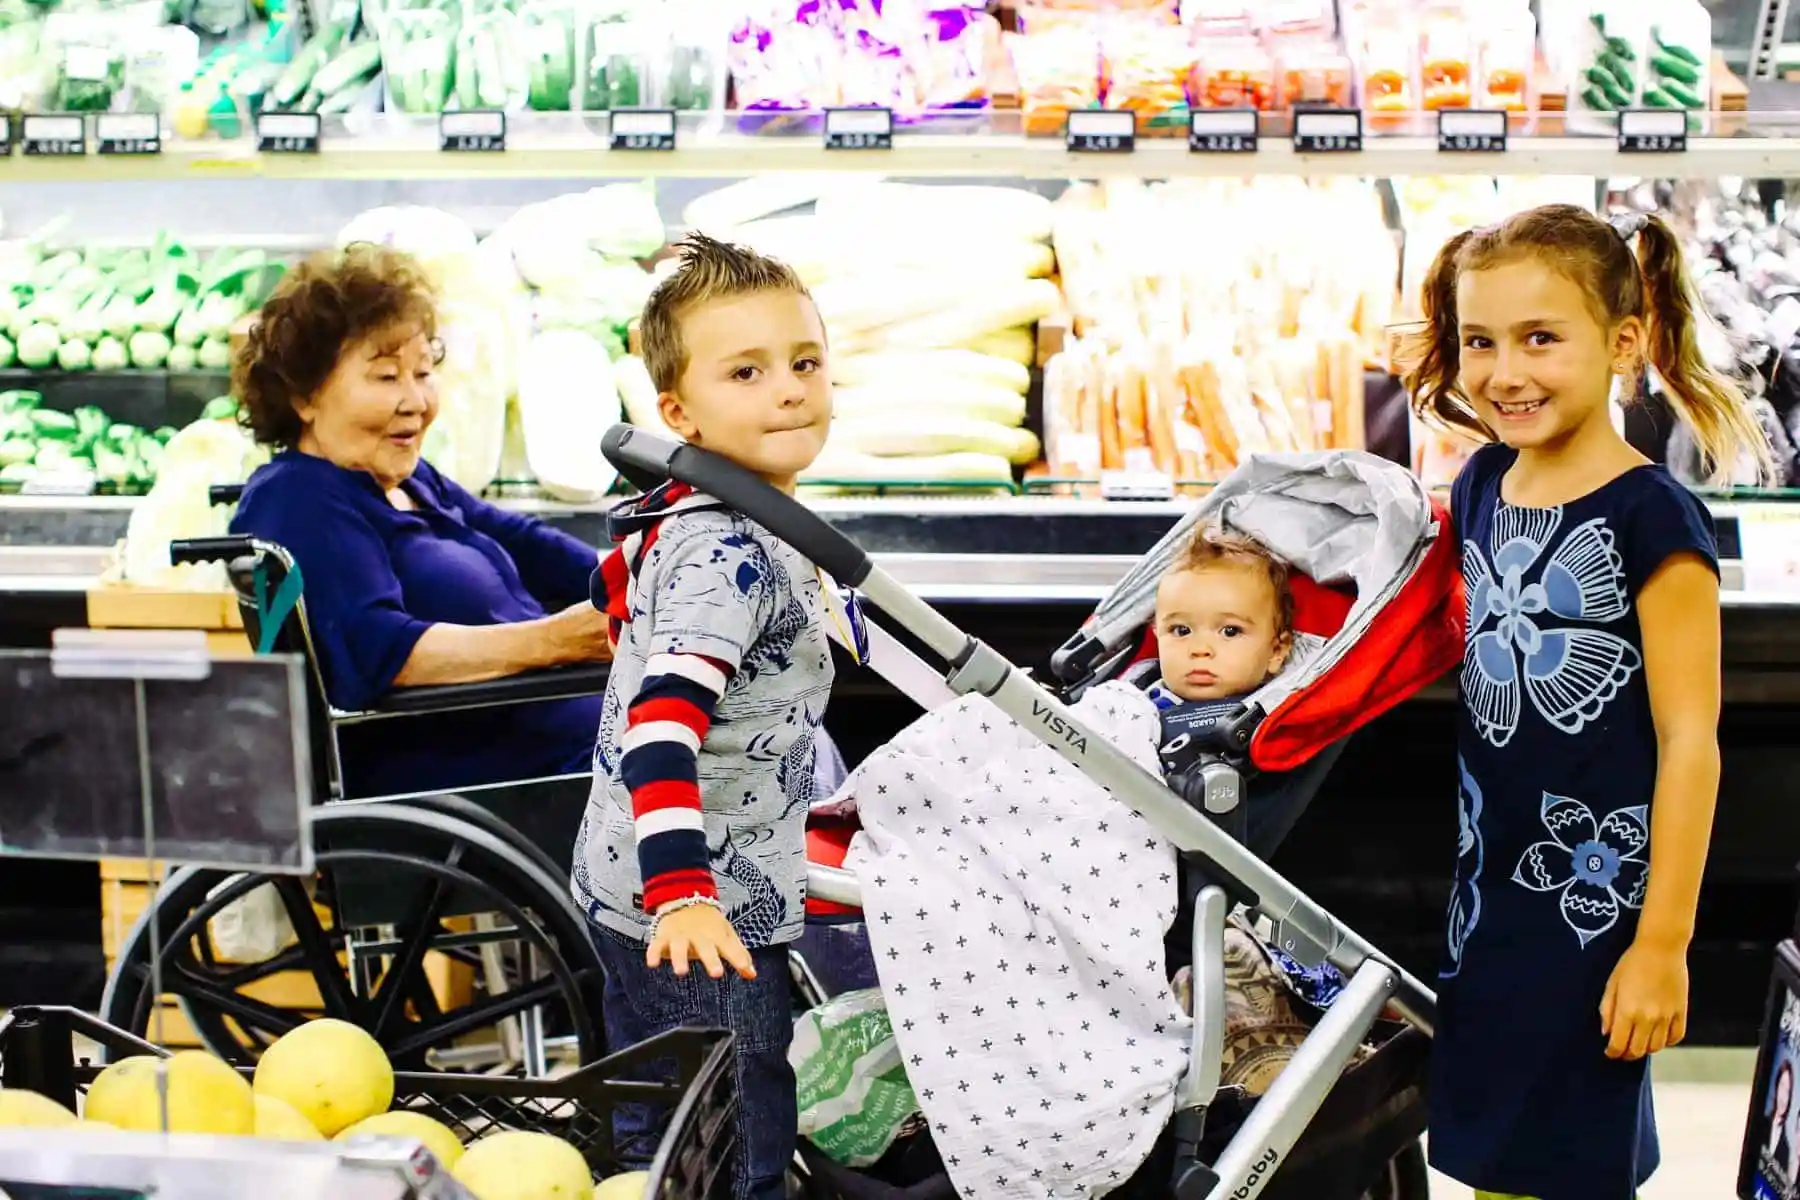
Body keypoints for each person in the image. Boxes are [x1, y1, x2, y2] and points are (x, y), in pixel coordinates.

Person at [1404, 203, 1772, 1200]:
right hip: (1490, 901)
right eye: (1479, 341)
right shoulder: (1483, 479)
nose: (1503, 373)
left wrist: (1663, 944)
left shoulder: (1653, 516)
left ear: (1622, 345)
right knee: (1496, 1154)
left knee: (1563, 1157)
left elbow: (1691, 740)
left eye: (1540, 339)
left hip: (1598, 906)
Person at [571, 233, 834, 1200]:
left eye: (805, 362)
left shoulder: (707, 514)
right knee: (735, 1129)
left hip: (640, 877)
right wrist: (684, 891)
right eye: (748, 372)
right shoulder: (735, 559)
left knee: (658, 1117)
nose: (791, 390)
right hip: (696, 906)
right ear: (677, 410)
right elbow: (661, 726)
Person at [231, 243, 611, 799]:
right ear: (304, 396)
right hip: (500, 784)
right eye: (386, 377)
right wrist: (558, 641)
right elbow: (380, 651)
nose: (416, 401)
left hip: (568, 743)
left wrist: (641, 577)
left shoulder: (408, 481)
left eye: (424, 372)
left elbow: (523, 542)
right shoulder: (299, 500)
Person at [1151, 526, 1294, 704]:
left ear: (1276, 651)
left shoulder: (1285, 713)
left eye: (1230, 631)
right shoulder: (1128, 706)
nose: (1200, 650)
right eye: (1181, 630)